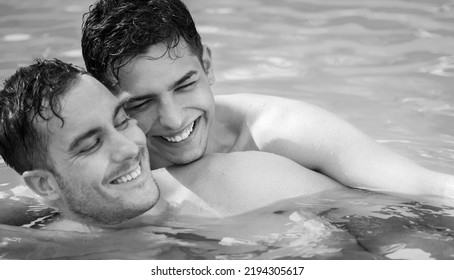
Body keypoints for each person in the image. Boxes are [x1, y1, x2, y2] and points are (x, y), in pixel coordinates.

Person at [81, 0, 454, 203]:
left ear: (207, 66)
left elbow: (429, 189)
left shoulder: (282, 131)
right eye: (141, 103)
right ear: (106, 101)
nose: (175, 119)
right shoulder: (95, 159)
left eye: (184, 85)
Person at [0, 58, 345, 232]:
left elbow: (386, 220)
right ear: (44, 185)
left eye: (123, 120)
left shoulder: (239, 186)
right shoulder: (38, 245)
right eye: (91, 145)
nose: (129, 148)